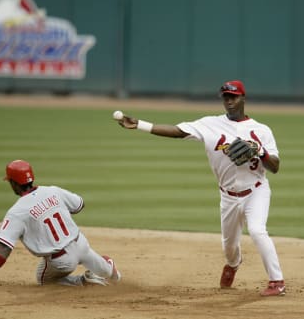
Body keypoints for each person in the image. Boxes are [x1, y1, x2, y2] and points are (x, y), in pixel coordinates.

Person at [115, 80, 285, 296]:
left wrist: (260, 152)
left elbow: (275, 167)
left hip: (256, 191)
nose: (229, 101)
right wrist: (140, 124)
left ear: (243, 98)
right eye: (225, 97)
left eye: (233, 96)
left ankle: (276, 282)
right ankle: (233, 264)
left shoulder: (261, 130)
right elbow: (177, 131)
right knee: (229, 248)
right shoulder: (209, 124)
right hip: (228, 197)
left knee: (258, 231)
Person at [0, 160, 121, 287]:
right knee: (108, 272)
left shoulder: (17, 211)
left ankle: (83, 281)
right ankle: (107, 270)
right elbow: (79, 204)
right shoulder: (53, 191)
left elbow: (4, 248)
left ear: (14, 183)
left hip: (62, 261)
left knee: (44, 280)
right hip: (81, 244)